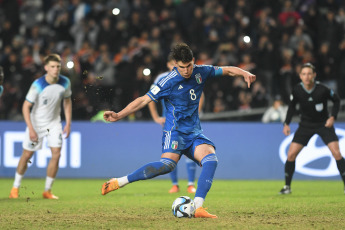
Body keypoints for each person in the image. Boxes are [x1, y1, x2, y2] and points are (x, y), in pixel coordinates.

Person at [101, 43, 256, 218]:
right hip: (174, 132)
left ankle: (197, 207)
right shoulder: (167, 81)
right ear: (175, 64)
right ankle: (119, 181)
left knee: (211, 160)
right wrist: (119, 114)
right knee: (166, 166)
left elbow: (226, 70)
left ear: (193, 61)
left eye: (189, 65)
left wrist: (244, 73)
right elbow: (144, 100)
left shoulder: (201, 71)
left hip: (194, 132)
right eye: (182, 67)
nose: (186, 70)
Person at [9, 54, 72, 199]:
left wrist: (68, 123)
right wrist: (31, 128)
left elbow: (67, 102)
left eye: (57, 67)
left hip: (54, 123)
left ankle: (47, 190)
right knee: (27, 155)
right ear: (46, 68)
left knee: (56, 154)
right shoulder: (38, 84)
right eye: (52, 67)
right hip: (36, 123)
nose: (55, 70)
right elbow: (26, 107)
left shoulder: (65, 82)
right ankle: (15, 188)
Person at [279, 63, 345, 195]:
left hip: (324, 125)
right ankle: (287, 187)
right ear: (300, 76)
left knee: (337, 153)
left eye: (309, 74)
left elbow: (337, 100)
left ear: (314, 75)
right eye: (304, 74)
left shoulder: (323, 89)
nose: (307, 77)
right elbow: (291, 107)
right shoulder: (297, 90)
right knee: (291, 155)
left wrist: (332, 117)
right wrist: (286, 124)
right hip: (305, 125)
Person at [148, 54, 205, 194]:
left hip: (188, 122)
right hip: (170, 122)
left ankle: (191, 184)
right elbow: (149, 97)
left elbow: (201, 95)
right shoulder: (162, 79)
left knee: (188, 152)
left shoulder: (190, 76)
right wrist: (156, 117)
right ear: (170, 64)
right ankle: (175, 184)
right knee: (170, 154)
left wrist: (196, 112)